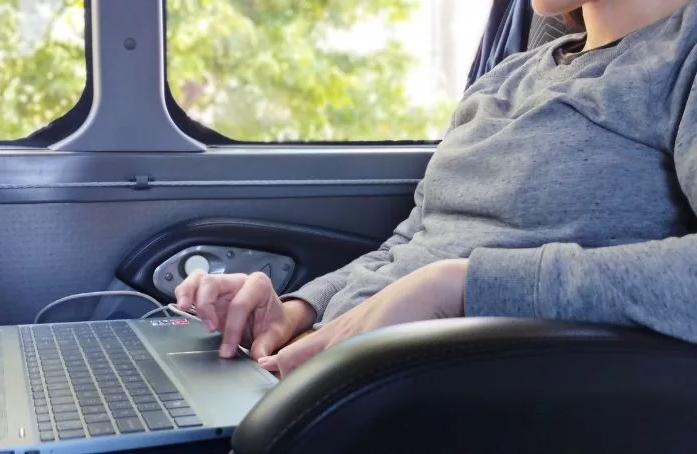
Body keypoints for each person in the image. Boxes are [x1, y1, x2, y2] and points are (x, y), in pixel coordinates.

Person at [176, 0, 697, 376]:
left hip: (450, 389)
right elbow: (411, 243)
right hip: (333, 365)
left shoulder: (680, 56)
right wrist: (295, 313)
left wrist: (459, 287)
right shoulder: (509, 75)